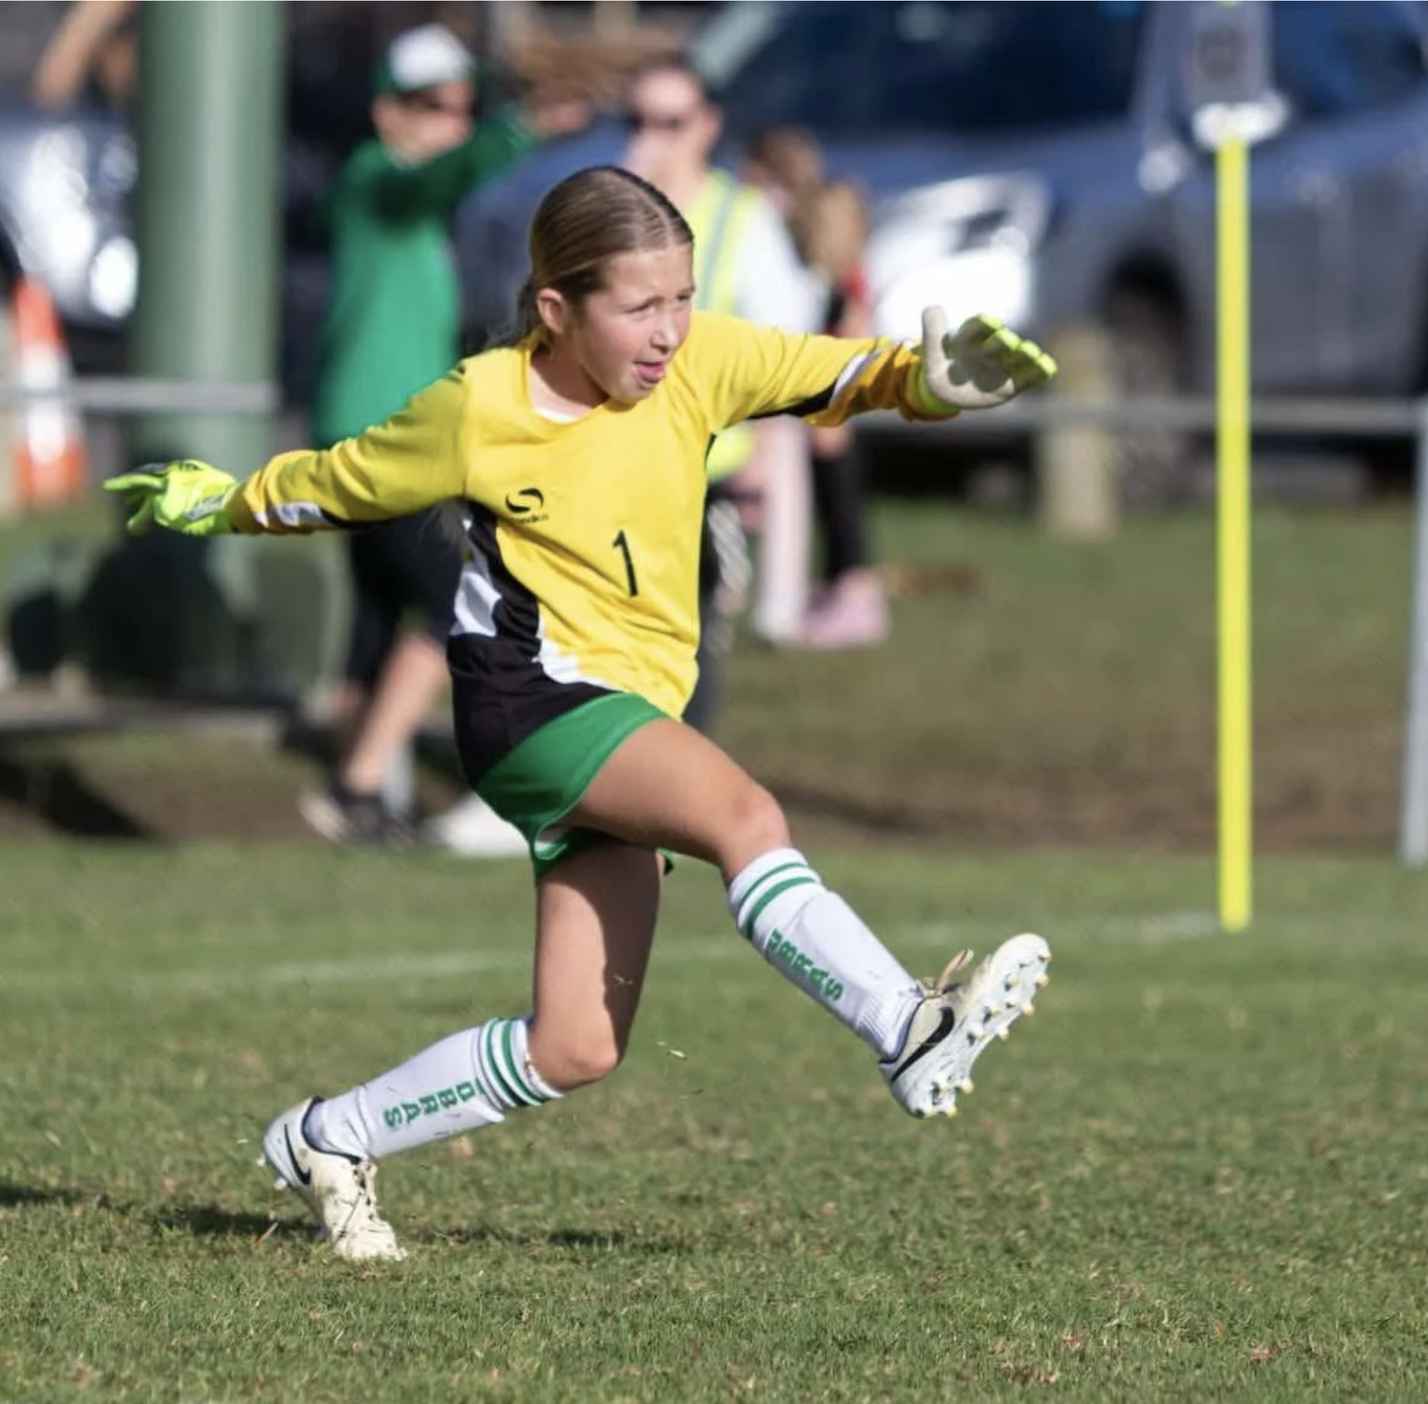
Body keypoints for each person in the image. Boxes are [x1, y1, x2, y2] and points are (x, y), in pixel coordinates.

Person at [103, 165, 1062, 1263]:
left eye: (683, 298)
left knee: (577, 1045)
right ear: (556, 310)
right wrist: (220, 500)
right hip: (532, 705)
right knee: (744, 817)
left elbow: (849, 374)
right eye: (638, 308)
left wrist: (933, 383)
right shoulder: (480, 406)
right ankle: (906, 1028)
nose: (669, 331)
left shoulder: (699, 361)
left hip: (620, 711)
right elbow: (343, 480)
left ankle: (332, 1137)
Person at [299, 22, 588, 857]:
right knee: (452, 605)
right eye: (432, 106)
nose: (450, 123)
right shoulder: (375, 181)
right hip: (383, 444)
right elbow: (448, 174)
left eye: (464, 107)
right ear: (387, 111)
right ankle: (354, 785)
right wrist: (522, 129)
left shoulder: (404, 201)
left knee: (379, 619)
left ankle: (358, 786)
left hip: (374, 439)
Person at [622, 56, 825, 721]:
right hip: (607, 469)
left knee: (685, 646)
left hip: (708, 474)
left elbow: (781, 354)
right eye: (638, 120)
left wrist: (765, 462)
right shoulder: (605, 215)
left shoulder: (741, 219)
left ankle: (671, 801)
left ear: (707, 126)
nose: (653, 136)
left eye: (671, 122)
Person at [742, 129, 889, 650]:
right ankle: (836, 589)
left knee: (834, 485)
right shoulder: (802, 226)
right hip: (818, 374)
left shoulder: (798, 225)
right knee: (826, 485)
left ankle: (851, 592)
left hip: (823, 378)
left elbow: (850, 309)